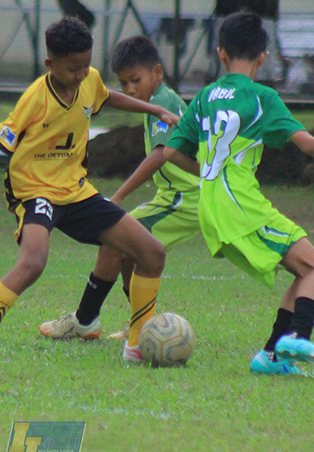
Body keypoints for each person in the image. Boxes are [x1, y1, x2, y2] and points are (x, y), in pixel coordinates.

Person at [0, 17, 180, 360]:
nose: (81, 74)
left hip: (76, 190)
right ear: (51, 64)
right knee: (33, 262)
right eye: (73, 68)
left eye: (86, 65)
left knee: (152, 253)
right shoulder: (35, 99)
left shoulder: (89, 81)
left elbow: (108, 97)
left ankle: (136, 346)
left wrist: (155, 109)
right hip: (35, 191)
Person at [163, 11, 314, 374]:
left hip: (211, 206)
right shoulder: (262, 98)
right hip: (240, 205)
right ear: (263, 57)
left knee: (304, 273)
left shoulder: (206, 96)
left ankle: (271, 355)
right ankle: (297, 337)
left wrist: (210, 174)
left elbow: (171, 152)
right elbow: (307, 143)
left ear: (220, 53)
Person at [39, 35, 201, 343]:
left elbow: (158, 155)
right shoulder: (156, 102)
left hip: (186, 199)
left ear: (157, 73)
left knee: (115, 240)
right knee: (125, 249)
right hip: (173, 198)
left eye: (135, 80)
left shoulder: (162, 102)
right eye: (124, 83)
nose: (129, 89)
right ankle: (141, 324)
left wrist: (120, 196)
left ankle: (86, 320)